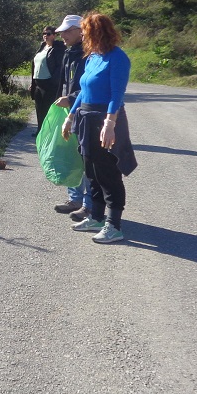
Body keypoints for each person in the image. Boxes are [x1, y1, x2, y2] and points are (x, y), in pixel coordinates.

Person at [61, 13, 137, 244]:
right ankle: (96, 217)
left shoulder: (118, 58)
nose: (82, 34)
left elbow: (117, 94)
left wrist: (110, 124)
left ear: (97, 32)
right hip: (86, 119)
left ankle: (114, 226)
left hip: (106, 119)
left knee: (108, 173)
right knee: (91, 171)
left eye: (86, 31)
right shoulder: (93, 57)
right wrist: (70, 117)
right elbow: (83, 90)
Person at [50, 14, 94, 221]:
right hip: (68, 110)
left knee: (85, 157)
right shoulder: (69, 53)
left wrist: (71, 98)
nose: (63, 35)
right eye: (62, 31)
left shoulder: (88, 54)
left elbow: (89, 87)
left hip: (83, 110)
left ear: (80, 31)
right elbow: (64, 83)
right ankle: (74, 199)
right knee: (70, 153)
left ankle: (88, 204)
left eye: (68, 31)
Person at [29, 25, 65, 135]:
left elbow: (60, 67)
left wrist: (53, 81)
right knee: (39, 109)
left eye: (48, 34)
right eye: (44, 33)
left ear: (54, 35)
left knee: (48, 109)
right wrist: (32, 83)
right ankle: (40, 131)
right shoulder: (42, 47)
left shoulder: (58, 48)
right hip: (38, 83)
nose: (45, 36)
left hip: (49, 84)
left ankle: (49, 133)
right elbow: (35, 66)